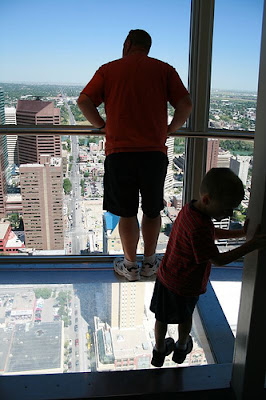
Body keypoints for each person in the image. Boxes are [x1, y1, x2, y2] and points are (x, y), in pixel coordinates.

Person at [77, 29, 192, 281]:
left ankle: (130, 267)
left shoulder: (108, 69)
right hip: (154, 152)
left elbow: (84, 101)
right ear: (147, 47)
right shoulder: (164, 70)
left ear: (127, 44)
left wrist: (101, 125)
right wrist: (170, 128)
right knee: (152, 211)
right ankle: (150, 263)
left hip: (120, 152)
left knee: (127, 212)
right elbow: (186, 104)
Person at [150, 168, 266, 367]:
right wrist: (251, 245)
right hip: (186, 285)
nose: (229, 213)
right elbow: (218, 260)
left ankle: (159, 351)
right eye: (226, 209)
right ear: (207, 200)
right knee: (185, 317)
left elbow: (210, 234)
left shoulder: (189, 210)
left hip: (167, 275)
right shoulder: (200, 227)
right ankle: (181, 347)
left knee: (161, 317)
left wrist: (238, 234)